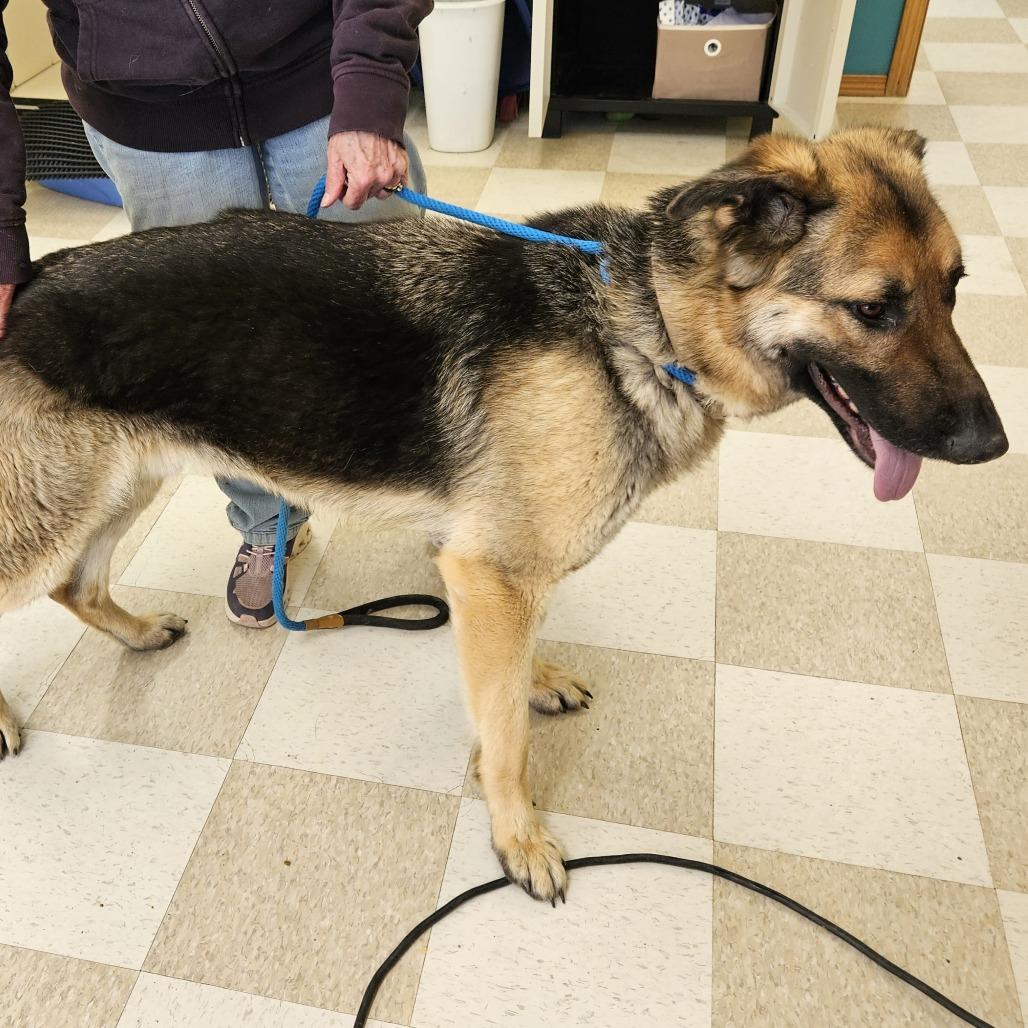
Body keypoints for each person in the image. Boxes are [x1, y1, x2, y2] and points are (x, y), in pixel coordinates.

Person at [0, 0, 432, 628]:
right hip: (149, 118)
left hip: (321, 73)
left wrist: (369, 86)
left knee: (396, 331)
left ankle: (440, 498)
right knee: (204, 364)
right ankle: (267, 525)